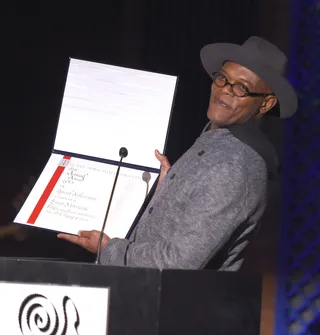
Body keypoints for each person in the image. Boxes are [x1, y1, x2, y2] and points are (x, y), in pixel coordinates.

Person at [58, 36, 298, 270]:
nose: (225, 90)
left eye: (242, 88)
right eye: (223, 78)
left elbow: (177, 262)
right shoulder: (216, 141)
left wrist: (108, 248)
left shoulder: (234, 165)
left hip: (169, 306)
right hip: (144, 297)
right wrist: (169, 186)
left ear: (265, 104)